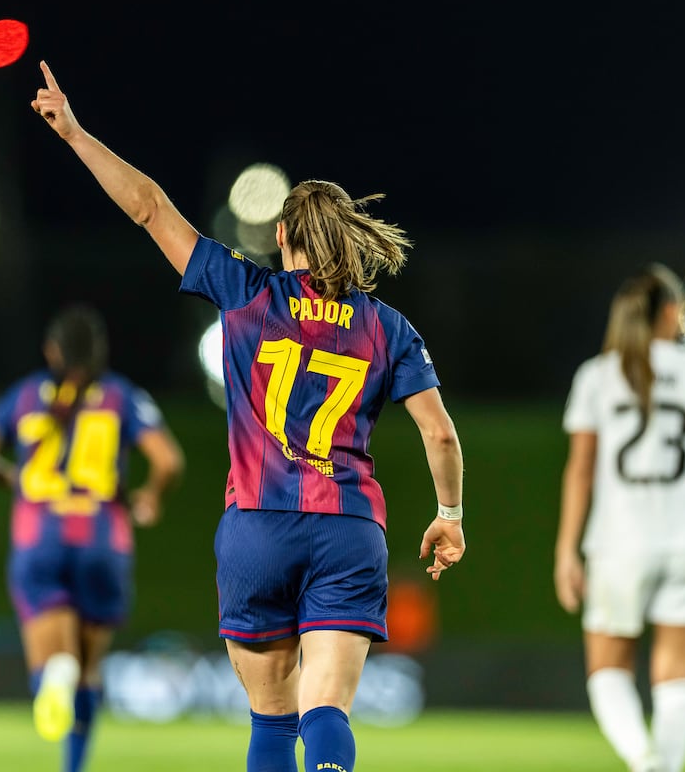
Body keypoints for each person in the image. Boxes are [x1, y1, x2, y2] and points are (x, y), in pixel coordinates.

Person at [32, 60, 466, 772]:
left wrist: (76, 134)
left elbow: (147, 205)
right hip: (348, 531)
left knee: (271, 724)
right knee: (326, 707)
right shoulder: (389, 327)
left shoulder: (246, 293)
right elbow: (439, 431)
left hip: (257, 529)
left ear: (285, 239)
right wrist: (449, 512)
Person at [554, 264, 685, 772]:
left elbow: (579, 471)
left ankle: (643, 760)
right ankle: (662, 768)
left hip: (617, 543)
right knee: (676, 674)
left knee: (607, 670)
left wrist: (566, 549)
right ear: (671, 312)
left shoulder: (596, 376)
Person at [0, 304, 184, 772]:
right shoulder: (121, 396)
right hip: (103, 540)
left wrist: (13, 479)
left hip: (38, 535)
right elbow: (168, 461)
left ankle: (50, 676)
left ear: (52, 350)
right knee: (88, 670)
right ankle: (73, 766)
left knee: (52, 659)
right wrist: (151, 497)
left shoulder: (23, 397)